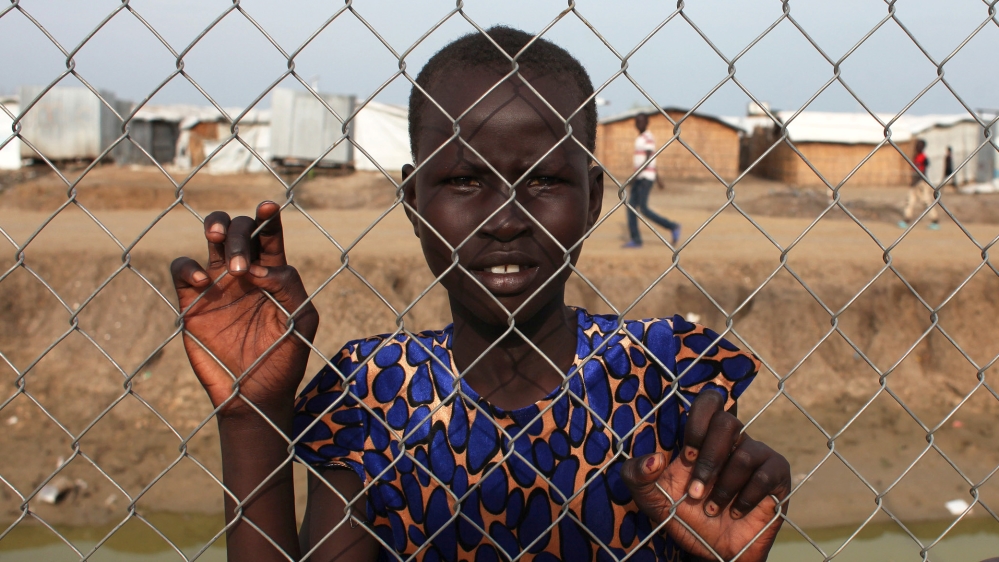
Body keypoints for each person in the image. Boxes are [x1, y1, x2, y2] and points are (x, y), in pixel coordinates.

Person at [170, 26, 790, 562]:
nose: (507, 218)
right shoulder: (374, 394)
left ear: (594, 198)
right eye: (466, 180)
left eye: (544, 179)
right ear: (414, 202)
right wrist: (252, 419)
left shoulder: (661, 375)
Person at [623, 113, 682, 248]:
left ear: (647, 123)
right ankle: (636, 239)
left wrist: (635, 176)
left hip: (644, 178)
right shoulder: (641, 138)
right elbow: (652, 160)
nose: (638, 123)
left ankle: (673, 226)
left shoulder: (648, 137)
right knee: (631, 207)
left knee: (643, 208)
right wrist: (657, 177)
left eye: (641, 121)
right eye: (636, 121)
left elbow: (649, 157)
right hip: (641, 176)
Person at [899, 139, 940, 230]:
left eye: (920, 145)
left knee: (926, 201)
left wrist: (918, 178)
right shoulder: (916, 157)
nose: (918, 147)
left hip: (921, 182)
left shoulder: (923, 157)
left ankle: (934, 219)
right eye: (917, 145)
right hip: (914, 182)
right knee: (910, 200)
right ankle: (907, 218)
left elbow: (923, 170)